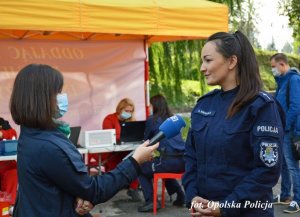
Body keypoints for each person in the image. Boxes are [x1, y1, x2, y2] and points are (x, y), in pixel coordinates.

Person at [9, 63, 158, 217]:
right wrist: (135, 161)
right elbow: (94, 190)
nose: (62, 97)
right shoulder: (49, 146)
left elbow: (59, 182)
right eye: (58, 92)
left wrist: (77, 194)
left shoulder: (30, 135)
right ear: (42, 99)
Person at [182, 31, 285, 217]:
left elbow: (266, 170)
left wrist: (225, 207)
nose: (202, 68)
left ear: (231, 62)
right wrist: (193, 196)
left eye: (208, 60)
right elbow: (191, 157)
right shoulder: (204, 105)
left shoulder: (261, 106)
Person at [137, 94, 185, 212]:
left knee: (140, 168)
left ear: (154, 106)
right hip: (183, 162)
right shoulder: (173, 119)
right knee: (161, 166)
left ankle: (151, 201)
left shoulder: (152, 120)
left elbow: (147, 141)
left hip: (168, 161)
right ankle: (180, 194)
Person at [88, 98, 141, 201]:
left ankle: (133, 188)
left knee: (135, 159)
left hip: (125, 150)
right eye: (126, 111)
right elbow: (110, 136)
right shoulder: (109, 119)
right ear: (120, 109)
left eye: (131, 111)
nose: (129, 113)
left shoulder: (131, 120)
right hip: (111, 152)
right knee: (118, 163)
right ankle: (118, 185)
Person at [271, 53, 300, 213]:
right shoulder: (281, 82)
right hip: (282, 130)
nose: (272, 70)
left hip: (289, 130)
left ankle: (298, 199)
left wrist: (284, 126)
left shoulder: (293, 80)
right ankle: (285, 195)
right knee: (283, 165)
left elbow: (296, 106)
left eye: (273, 66)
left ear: (282, 65)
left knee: (292, 166)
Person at [0, 117, 18, 205]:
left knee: (13, 173)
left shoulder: (3, 123)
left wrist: (2, 134)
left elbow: (13, 135)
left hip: (7, 165)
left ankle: (10, 205)